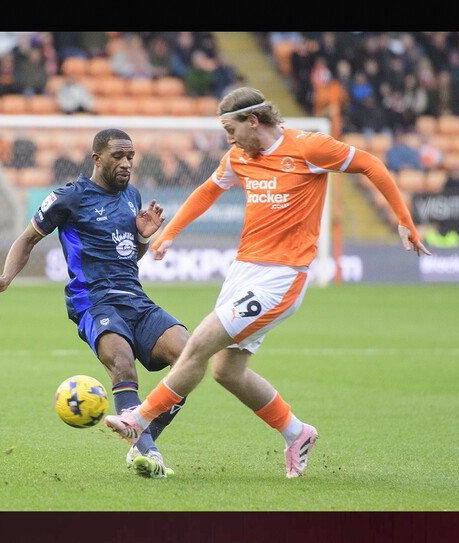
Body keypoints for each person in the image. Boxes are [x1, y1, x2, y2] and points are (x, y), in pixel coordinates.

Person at [103, 87, 430, 478]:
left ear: (253, 121)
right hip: (243, 272)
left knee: (199, 344)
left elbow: (371, 165)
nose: (228, 137)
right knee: (227, 371)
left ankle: (138, 420)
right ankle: (297, 433)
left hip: (282, 277)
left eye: (231, 128)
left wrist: (404, 221)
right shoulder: (240, 156)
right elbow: (209, 190)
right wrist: (170, 232)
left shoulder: (310, 148)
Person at [0, 129, 190, 479]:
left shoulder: (132, 196)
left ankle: (140, 436)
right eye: (118, 156)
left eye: (130, 157)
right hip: (93, 301)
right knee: (122, 363)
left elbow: (129, 258)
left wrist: (141, 238)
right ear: (97, 159)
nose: (126, 163)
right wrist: (5, 278)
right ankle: (147, 450)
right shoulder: (69, 197)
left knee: (188, 356)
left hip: (134, 298)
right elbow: (27, 239)